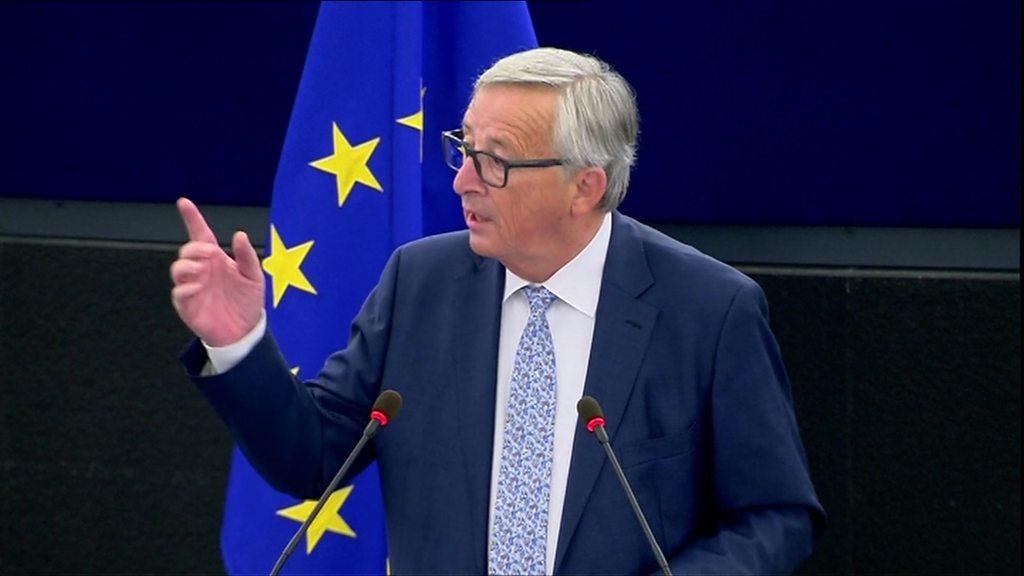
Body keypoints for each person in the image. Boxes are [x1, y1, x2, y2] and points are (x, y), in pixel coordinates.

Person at [172, 47, 824, 575]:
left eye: (495, 162)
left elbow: (775, 515)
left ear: (585, 186)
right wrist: (240, 343)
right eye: (464, 147)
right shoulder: (419, 284)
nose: (462, 180)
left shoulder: (708, 309)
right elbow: (309, 457)